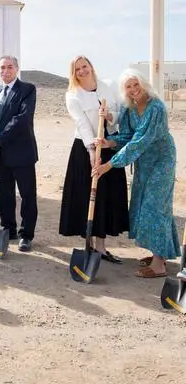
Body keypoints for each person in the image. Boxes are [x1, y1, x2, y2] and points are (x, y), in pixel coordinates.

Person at [93, 68, 180, 278]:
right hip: (144, 162)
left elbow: (140, 141)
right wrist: (110, 142)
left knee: (156, 206)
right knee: (144, 204)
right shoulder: (129, 108)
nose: (133, 90)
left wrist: (110, 165)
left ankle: (159, 265)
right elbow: (127, 136)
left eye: (135, 84)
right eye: (128, 87)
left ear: (143, 83)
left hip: (161, 161)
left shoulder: (156, 107)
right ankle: (160, 253)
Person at [58, 56, 129, 263]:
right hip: (85, 149)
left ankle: (101, 247)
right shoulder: (73, 95)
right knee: (87, 195)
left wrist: (109, 116)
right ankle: (87, 243)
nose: (82, 71)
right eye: (77, 69)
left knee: (107, 196)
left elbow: (119, 114)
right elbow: (82, 123)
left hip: (110, 145)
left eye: (84, 66)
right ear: (74, 73)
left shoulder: (107, 86)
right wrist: (92, 151)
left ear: (91, 67)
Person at [0, 56, 38, 252]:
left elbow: (22, 119)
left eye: (9, 67)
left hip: (22, 152)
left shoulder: (27, 89)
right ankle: (9, 229)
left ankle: (26, 235)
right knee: (5, 195)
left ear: (16, 69)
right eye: (2, 68)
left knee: (27, 195)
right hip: (1, 154)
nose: (5, 71)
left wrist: (0, 139)